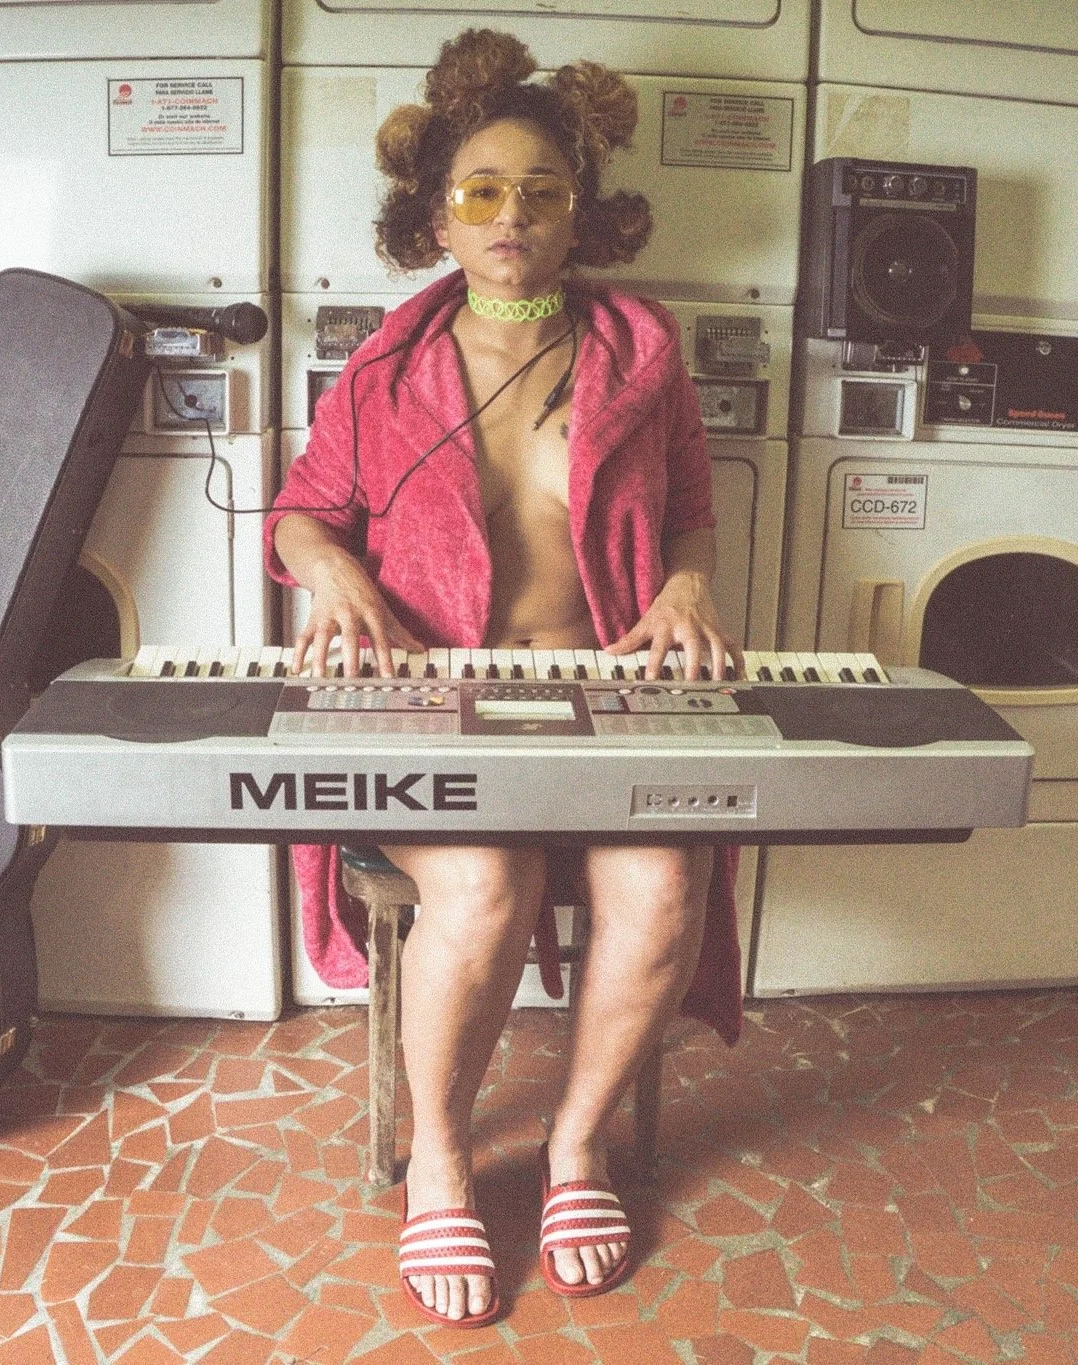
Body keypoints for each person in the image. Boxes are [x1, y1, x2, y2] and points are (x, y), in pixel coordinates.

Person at [263, 28, 744, 1328]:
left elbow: (691, 511)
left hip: (604, 697)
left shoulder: (646, 359)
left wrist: (690, 583)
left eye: (542, 189)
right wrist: (335, 577)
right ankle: (438, 1160)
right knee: (481, 880)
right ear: (435, 212)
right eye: (482, 190)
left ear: (582, 206)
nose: (513, 216)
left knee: (659, 880)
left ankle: (577, 1145)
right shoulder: (383, 371)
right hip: (433, 702)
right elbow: (302, 514)